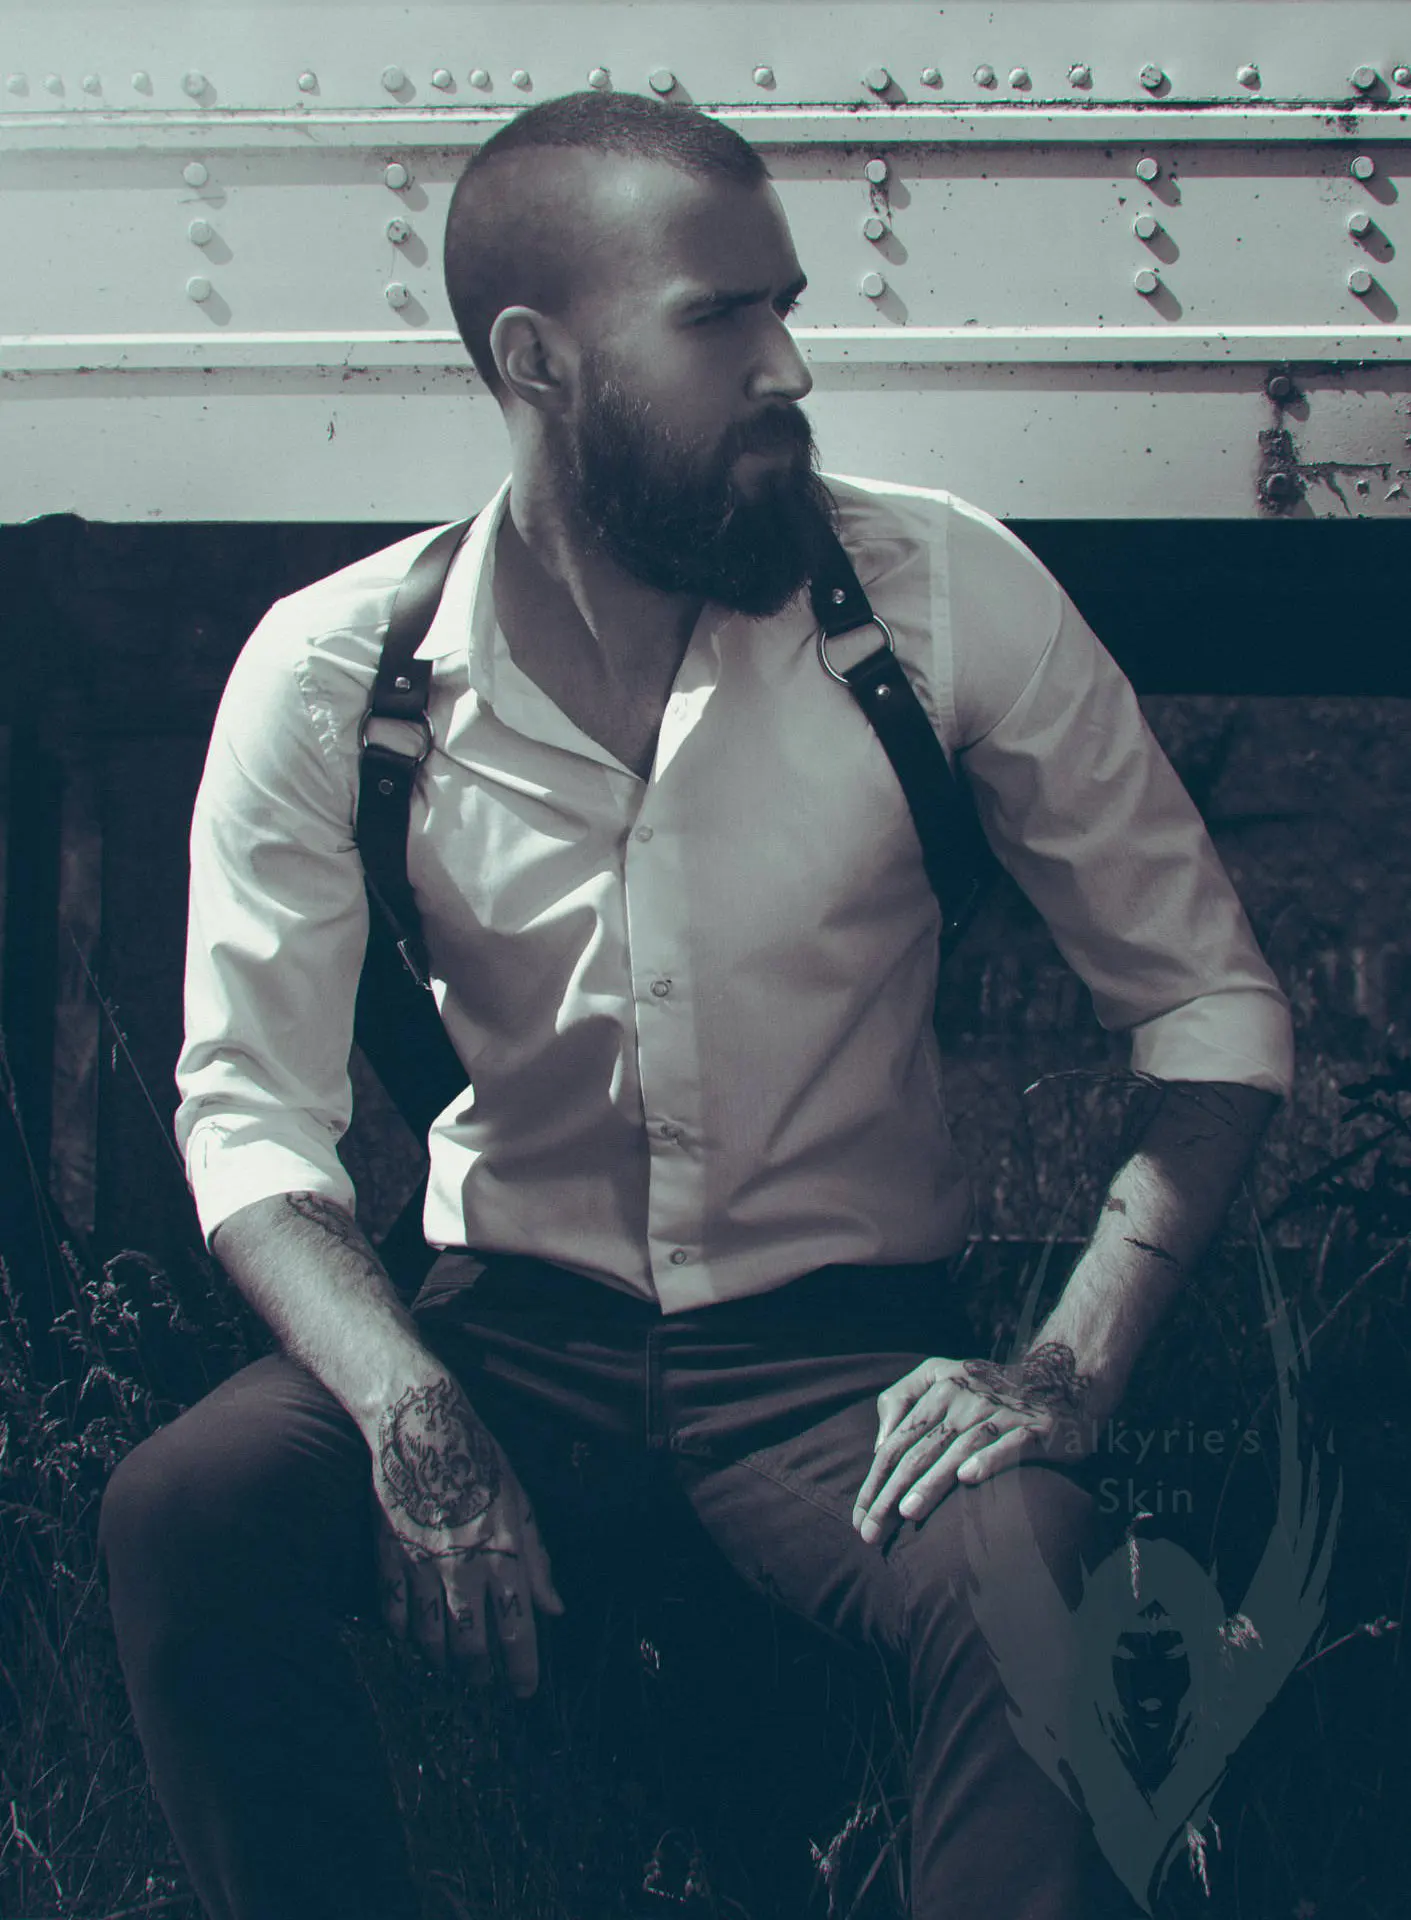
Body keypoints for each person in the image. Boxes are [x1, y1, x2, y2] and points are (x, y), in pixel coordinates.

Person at [98, 90, 1293, 1920]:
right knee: (186, 1509)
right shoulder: (338, 671)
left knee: (1029, 1573)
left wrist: (1064, 1369)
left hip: (841, 1367)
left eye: (783, 307)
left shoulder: (937, 598)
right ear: (537, 361)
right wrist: (408, 1408)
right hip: (501, 1340)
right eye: (718, 318)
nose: (788, 368)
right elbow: (246, 1113)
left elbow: (1206, 1003)